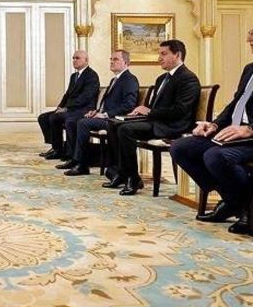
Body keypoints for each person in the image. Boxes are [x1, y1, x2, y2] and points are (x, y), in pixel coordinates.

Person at [170, 29, 253, 235]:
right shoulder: (249, 69)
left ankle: (245, 208)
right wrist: (214, 125)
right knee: (181, 147)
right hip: (231, 133)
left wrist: (250, 129)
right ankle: (233, 200)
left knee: (215, 156)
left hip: (249, 138)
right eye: (250, 43)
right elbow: (235, 104)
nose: (251, 46)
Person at [103, 39, 200, 196]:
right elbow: (153, 107)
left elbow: (180, 110)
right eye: (159, 54)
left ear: (177, 55)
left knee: (125, 130)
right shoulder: (161, 79)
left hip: (173, 125)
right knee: (113, 124)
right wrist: (140, 111)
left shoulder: (188, 78)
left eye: (163, 54)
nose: (159, 58)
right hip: (156, 121)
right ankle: (121, 172)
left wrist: (149, 112)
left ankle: (133, 178)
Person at [62, 50, 139, 176]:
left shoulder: (129, 79)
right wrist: (96, 111)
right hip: (106, 117)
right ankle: (77, 160)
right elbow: (107, 103)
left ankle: (82, 164)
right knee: (78, 121)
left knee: (82, 123)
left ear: (126, 63)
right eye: (111, 59)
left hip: (115, 120)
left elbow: (128, 105)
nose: (111, 62)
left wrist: (105, 115)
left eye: (115, 59)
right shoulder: (115, 79)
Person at [37, 50, 100, 161]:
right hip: (71, 108)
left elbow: (86, 97)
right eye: (73, 58)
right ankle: (56, 147)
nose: (74, 60)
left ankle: (62, 151)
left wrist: (67, 108)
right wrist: (60, 107)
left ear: (86, 60)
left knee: (55, 117)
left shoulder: (91, 75)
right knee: (43, 117)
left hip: (84, 109)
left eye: (77, 58)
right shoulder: (74, 76)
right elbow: (67, 95)